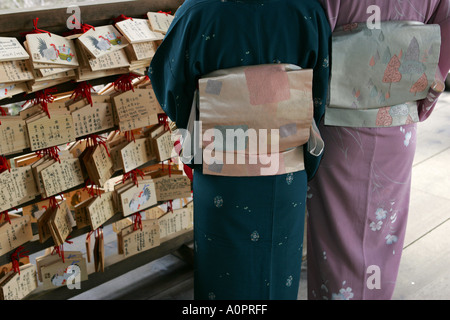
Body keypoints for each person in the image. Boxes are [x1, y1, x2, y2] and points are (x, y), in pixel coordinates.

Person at [149, 0, 330, 300]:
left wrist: (211, 116)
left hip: (221, 171)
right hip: (285, 172)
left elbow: (172, 91)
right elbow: (319, 92)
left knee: (222, 279)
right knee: (278, 274)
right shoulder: (306, 9)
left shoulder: (197, 11)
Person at [307, 0, 450, 300]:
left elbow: (310, 29)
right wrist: (425, 90)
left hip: (338, 123)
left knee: (335, 233)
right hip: (397, 122)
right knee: (382, 231)